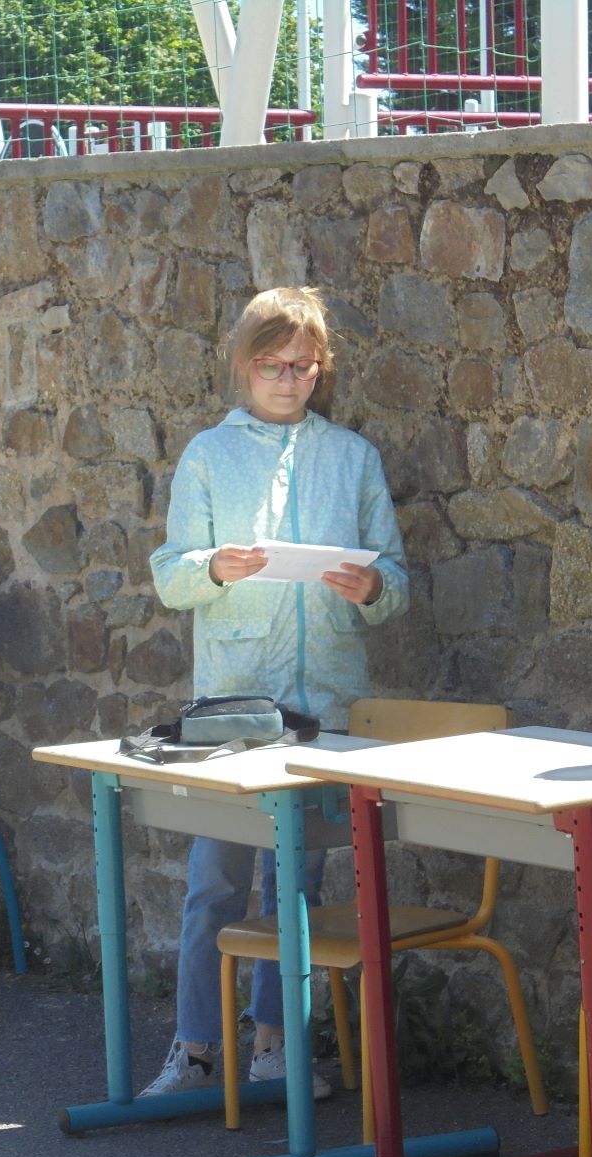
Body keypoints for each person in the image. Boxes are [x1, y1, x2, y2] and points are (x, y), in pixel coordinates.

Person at [142, 286, 410, 1096]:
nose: (289, 381)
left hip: (325, 706)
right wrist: (214, 567)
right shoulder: (208, 455)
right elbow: (171, 577)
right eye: (273, 366)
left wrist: (372, 588)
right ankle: (194, 1050)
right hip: (231, 709)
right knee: (214, 882)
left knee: (299, 885)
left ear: (322, 368)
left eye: (303, 366)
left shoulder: (353, 458)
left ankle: (275, 1047)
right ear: (243, 364)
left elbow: (396, 579)